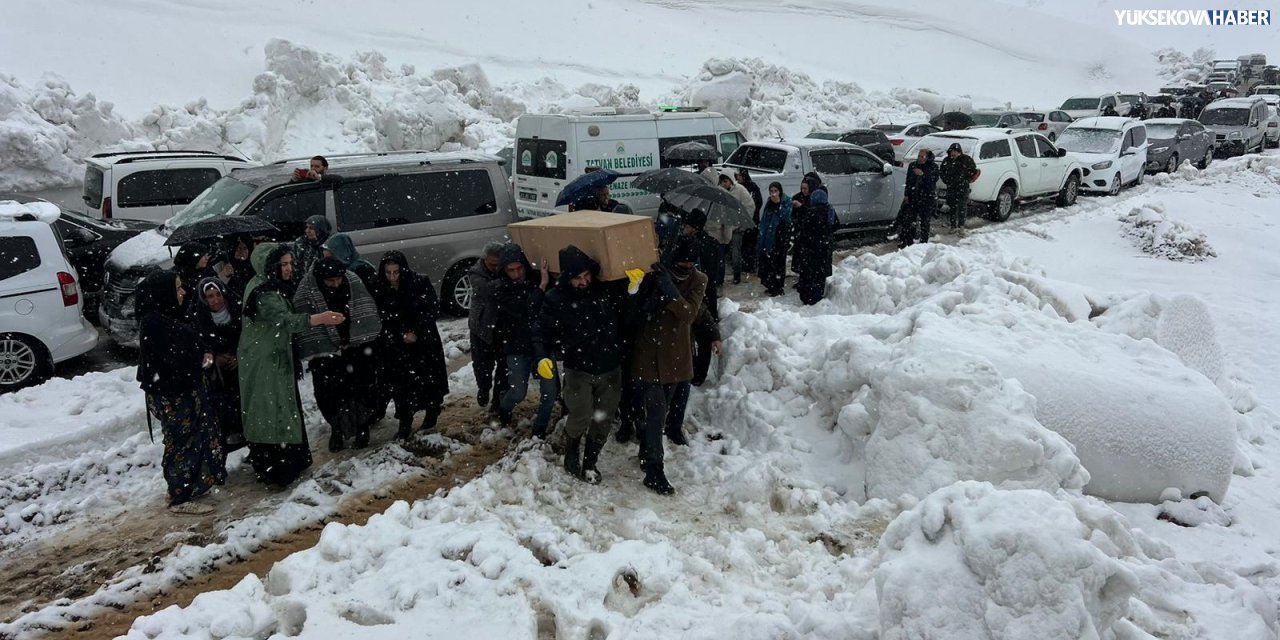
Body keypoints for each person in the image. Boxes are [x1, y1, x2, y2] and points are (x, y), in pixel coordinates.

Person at [239, 243, 344, 486]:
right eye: (284, 264)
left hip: (272, 356)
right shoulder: (264, 293)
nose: (289, 269)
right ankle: (277, 468)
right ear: (271, 266)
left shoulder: (265, 284)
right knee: (273, 410)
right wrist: (322, 318)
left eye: (290, 264)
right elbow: (286, 321)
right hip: (266, 361)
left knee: (279, 407)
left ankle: (289, 460)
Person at [136, 270, 227, 515]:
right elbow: (173, 360)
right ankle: (180, 495)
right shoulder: (156, 323)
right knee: (182, 442)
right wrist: (201, 360)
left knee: (194, 437)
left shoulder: (167, 315)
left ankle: (193, 486)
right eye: (177, 288)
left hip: (184, 390)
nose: (183, 292)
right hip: (175, 394)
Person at [536, 245, 624, 482]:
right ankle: (572, 450)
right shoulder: (555, 299)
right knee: (580, 414)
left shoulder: (604, 289)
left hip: (610, 365)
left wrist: (634, 289)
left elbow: (627, 313)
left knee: (604, 417)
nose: (584, 282)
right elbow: (542, 331)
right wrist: (543, 356)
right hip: (578, 367)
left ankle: (591, 461)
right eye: (578, 278)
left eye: (587, 276)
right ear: (567, 278)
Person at [627, 250, 708, 495]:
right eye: (682, 260)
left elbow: (688, 314)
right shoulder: (654, 272)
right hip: (648, 355)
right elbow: (634, 313)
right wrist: (644, 288)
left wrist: (670, 291)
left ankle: (645, 450)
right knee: (656, 412)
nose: (687, 265)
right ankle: (654, 470)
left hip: (676, 357)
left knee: (660, 414)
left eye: (691, 261)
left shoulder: (698, 280)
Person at [294, 256, 383, 451]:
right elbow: (305, 321)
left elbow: (364, 310)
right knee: (330, 394)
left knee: (361, 388)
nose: (336, 284)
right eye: (330, 281)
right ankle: (337, 428)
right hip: (326, 354)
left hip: (356, 348)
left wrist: (353, 339)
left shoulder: (352, 281)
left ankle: (362, 426)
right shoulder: (306, 290)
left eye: (338, 280)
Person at [372, 251, 449, 440]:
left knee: (428, 381)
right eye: (388, 273)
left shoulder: (419, 283)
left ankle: (432, 412)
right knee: (402, 386)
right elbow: (381, 317)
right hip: (397, 346)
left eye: (396, 272)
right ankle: (405, 422)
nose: (392, 277)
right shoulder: (380, 288)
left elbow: (431, 309)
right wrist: (399, 335)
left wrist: (416, 332)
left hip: (424, 344)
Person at [492, 244, 558, 434]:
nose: (517, 273)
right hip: (517, 347)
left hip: (542, 347)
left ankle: (539, 430)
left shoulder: (534, 280)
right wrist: (542, 286)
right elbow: (527, 310)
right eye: (511, 270)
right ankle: (504, 408)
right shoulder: (501, 289)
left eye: (519, 268)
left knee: (550, 393)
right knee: (518, 393)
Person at [191, 277, 245, 451]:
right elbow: (198, 349)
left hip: (241, 370)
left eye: (218, 294)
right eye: (210, 296)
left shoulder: (238, 311)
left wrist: (239, 357)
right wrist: (216, 358)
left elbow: (248, 338)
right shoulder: (199, 319)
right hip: (219, 378)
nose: (215, 300)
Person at [469, 241, 507, 413]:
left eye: (499, 264)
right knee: (482, 366)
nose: (496, 267)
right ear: (484, 260)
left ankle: (498, 402)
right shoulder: (475, 272)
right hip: (481, 327)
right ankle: (484, 389)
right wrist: (506, 281)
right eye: (492, 264)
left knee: (504, 367)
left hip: (502, 326)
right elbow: (486, 290)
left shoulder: (504, 270)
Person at [793, 189, 834, 305]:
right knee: (819, 276)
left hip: (811, 250)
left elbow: (804, 231)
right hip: (824, 249)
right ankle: (816, 295)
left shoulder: (811, 213)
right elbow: (835, 225)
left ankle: (808, 297)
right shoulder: (830, 210)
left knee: (809, 274)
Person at [756, 182, 793, 296]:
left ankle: (778, 287)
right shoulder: (769, 203)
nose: (773, 194)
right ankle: (771, 285)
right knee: (768, 263)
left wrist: (778, 205)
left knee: (778, 263)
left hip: (780, 237)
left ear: (780, 191)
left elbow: (787, 218)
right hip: (769, 237)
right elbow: (765, 220)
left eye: (775, 191)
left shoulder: (786, 202)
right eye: (771, 191)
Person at [718, 173, 754, 285]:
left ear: (731, 180)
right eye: (722, 181)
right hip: (723, 226)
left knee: (735, 252)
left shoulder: (740, 190)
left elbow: (750, 206)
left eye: (726, 181)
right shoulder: (719, 191)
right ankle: (720, 277)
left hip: (737, 227)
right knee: (722, 253)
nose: (724, 184)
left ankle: (737, 275)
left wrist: (742, 223)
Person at [900, 149, 939, 248]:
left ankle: (923, 242)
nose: (920, 159)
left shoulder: (933, 167)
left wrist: (923, 175)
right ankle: (908, 241)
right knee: (909, 219)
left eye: (922, 157)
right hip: (914, 196)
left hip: (927, 197)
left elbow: (933, 180)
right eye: (919, 156)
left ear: (927, 158)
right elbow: (908, 181)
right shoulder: (913, 165)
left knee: (925, 221)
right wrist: (907, 194)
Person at [939, 143, 978, 234]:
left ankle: (961, 226)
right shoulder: (946, 161)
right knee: (952, 207)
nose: (953, 153)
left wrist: (967, 180)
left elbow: (974, 171)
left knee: (962, 207)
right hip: (951, 187)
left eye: (956, 152)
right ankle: (953, 226)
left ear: (959, 152)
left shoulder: (966, 160)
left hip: (963, 188)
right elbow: (942, 172)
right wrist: (947, 181)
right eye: (952, 151)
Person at [735, 168, 763, 275]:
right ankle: (747, 265)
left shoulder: (752, 187)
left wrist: (751, 213)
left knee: (751, 244)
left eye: (740, 176)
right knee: (744, 245)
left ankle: (751, 265)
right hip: (744, 220)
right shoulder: (740, 188)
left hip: (752, 220)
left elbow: (757, 203)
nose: (738, 178)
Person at [173, 242, 214, 314]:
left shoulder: (206, 271)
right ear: (194, 258)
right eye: (203, 256)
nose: (206, 258)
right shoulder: (178, 279)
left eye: (206, 255)